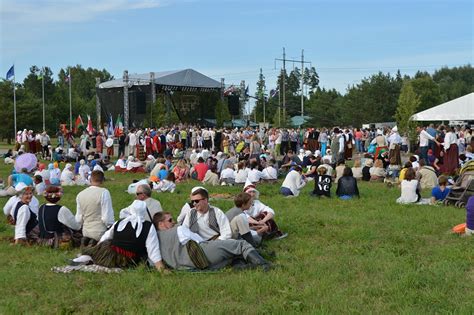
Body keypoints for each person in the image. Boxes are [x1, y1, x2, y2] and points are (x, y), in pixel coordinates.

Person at [154, 212, 271, 271]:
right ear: (161, 224)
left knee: (231, 254)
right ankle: (263, 264)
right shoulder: (178, 230)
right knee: (240, 244)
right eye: (170, 220)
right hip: (199, 256)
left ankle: (243, 266)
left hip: (186, 266)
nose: (173, 222)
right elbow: (200, 241)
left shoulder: (155, 240)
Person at [71, 200, 165, 271]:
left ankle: (87, 257)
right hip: (130, 259)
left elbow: (106, 236)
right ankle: (89, 257)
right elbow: (153, 249)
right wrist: (160, 267)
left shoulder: (120, 222)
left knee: (103, 246)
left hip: (110, 254)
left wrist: (97, 249)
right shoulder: (148, 226)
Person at [75, 170, 115, 247]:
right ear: (102, 181)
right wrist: (111, 227)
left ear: (90, 180)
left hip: (85, 231)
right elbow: (107, 217)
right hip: (100, 231)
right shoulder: (104, 192)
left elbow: (78, 218)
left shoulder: (80, 194)